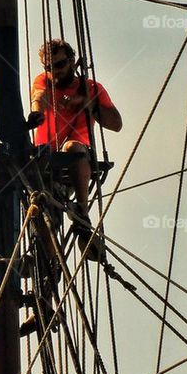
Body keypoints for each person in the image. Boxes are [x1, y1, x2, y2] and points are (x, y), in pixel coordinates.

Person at [27, 39, 122, 253]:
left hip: (77, 156)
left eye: (59, 65)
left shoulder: (91, 88)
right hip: (45, 159)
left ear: (71, 61)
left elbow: (116, 124)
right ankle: (49, 265)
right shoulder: (44, 81)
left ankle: (82, 213)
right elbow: (39, 96)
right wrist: (37, 113)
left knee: (72, 148)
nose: (54, 72)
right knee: (45, 218)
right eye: (49, 67)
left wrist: (88, 104)